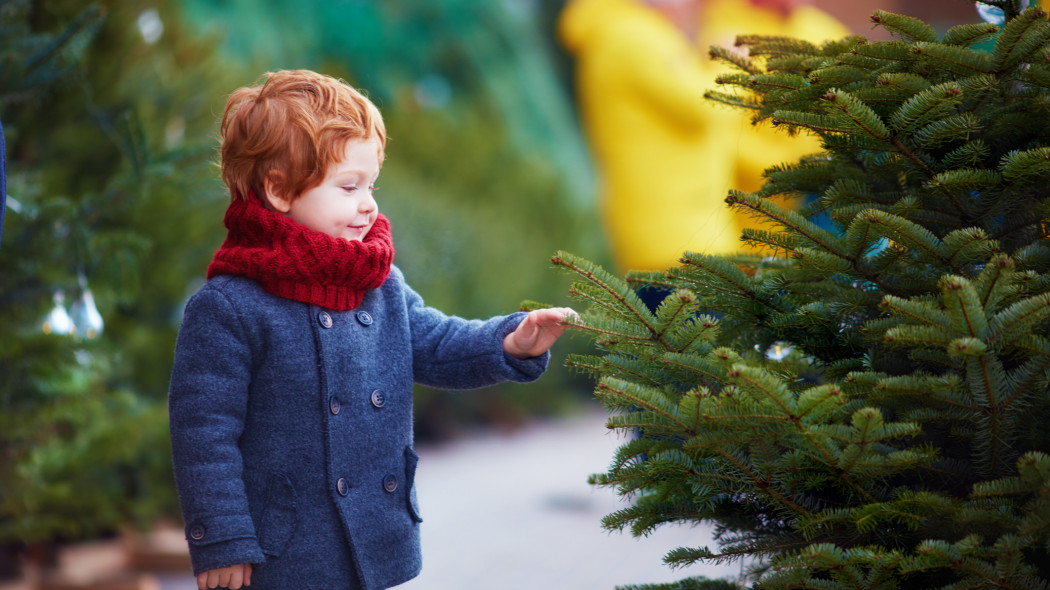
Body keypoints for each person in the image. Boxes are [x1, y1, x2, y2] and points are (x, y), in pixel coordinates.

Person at [167, 69, 575, 590]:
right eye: (349, 186)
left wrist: (510, 341)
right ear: (278, 190)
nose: (369, 203)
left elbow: (435, 342)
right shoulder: (230, 306)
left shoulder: (377, 284)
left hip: (374, 534)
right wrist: (222, 540)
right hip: (284, 550)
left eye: (371, 185)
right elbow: (203, 435)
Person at [557, 0, 849, 272]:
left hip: (702, 234)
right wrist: (731, 64)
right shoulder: (633, 35)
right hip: (677, 236)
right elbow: (709, 108)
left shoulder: (821, 30)